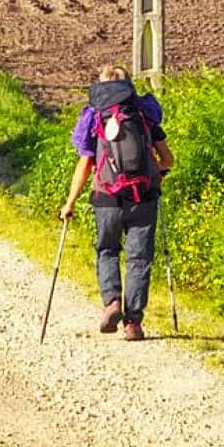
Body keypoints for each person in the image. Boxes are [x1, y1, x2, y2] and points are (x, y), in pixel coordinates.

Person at [59, 65, 174, 342]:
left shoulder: (94, 117)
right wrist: (155, 174)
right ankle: (133, 323)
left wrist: (69, 202)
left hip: (107, 198)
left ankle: (112, 303)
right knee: (139, 259)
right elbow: (168, 159)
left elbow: (85, 164)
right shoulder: (144, 114)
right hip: (144, 198)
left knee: (107, 249)